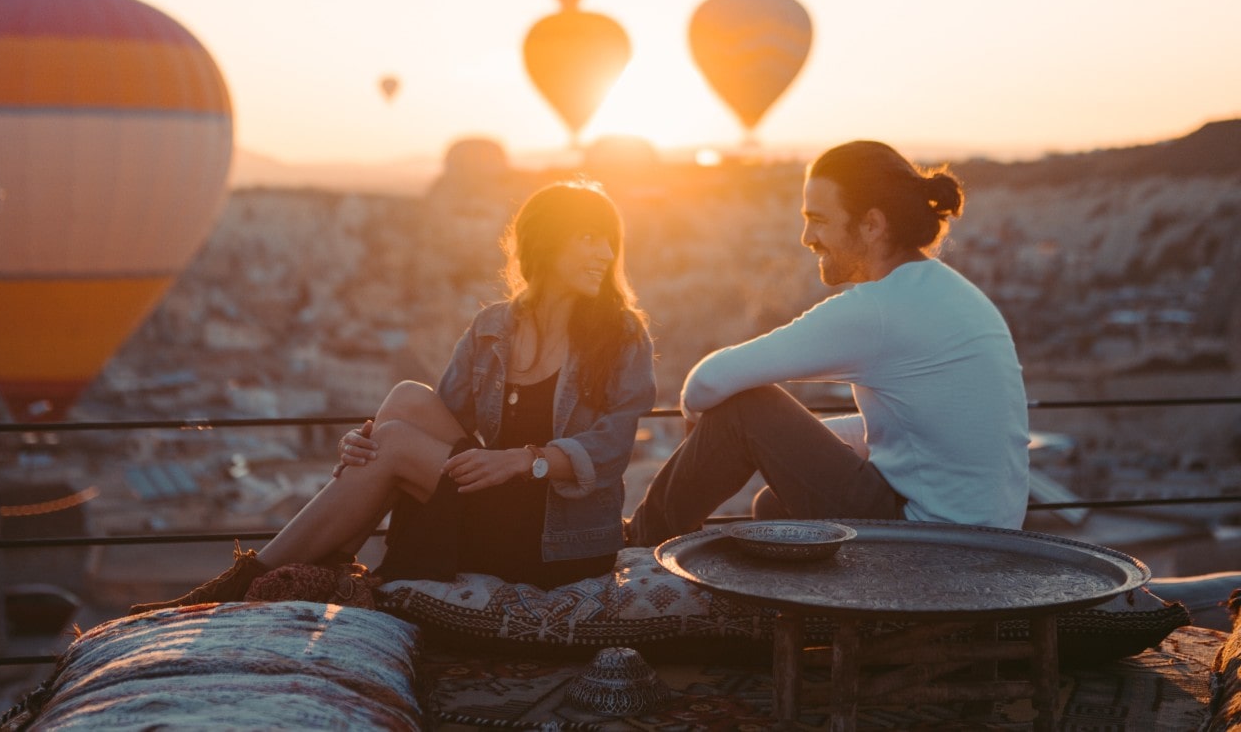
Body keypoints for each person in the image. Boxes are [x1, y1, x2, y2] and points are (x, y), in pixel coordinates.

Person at [132, 179, 655, 613]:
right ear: (546, 242)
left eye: (610, 240)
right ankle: (305, 571)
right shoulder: (494, 327)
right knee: (404, 400)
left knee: (398, 444)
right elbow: (437, 416)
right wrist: (366, 445)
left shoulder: (621, 335)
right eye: (589, 237)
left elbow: (611, 450)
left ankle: (240, 588)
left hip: (558, 536)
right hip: (490, 503)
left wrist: (525, 460)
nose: (606, 254)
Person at [626, 140, 1029, 547]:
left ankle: (638, 541)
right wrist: (788, 441)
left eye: (818, 220)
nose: (806, 237)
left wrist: (702, 421)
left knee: (746, 407)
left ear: (872, 225)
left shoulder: (878, 309)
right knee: (774, 509)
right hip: (985, 542)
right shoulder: (950, 293)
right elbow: (920, 432)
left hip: (927, 543)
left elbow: (709, 380)